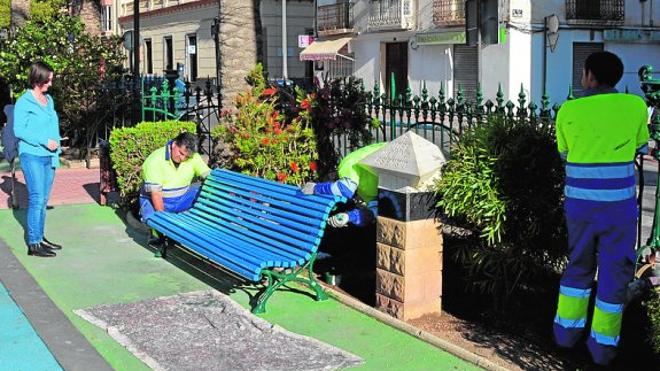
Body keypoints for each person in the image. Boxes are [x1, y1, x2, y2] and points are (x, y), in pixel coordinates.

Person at [553, 51, 650, 366]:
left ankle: (565, 335)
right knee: (614, 272)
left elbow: (564, 153)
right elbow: (640, 147)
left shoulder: (568, 110)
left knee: (578, 265)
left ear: (589, 75)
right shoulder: (635, 106)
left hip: (580, 207)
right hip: (618, 210)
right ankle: (603, 349)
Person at [13, 61, 63, 258]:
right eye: (48, 80)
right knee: (36, 198)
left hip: (49, 156)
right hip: (32, 155)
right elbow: (19, 130)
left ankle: (40, 237)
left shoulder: (48, 100)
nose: (50, 84)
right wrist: (44, 141)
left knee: (43, 200)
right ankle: (33, 243)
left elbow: (52, 126)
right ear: (37, 79)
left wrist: (56, 150)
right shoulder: (24, 102)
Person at [140, 132, 211, 247]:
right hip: (156, 201)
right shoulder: (154, 160)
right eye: (181, 153)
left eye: (187, 157)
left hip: (181, 198)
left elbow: (209, 176)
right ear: (174, 144)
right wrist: (164, 223)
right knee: (154, 223)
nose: (183, 158)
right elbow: (156, 195)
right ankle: (157, 234)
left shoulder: (193, 157)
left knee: (204, 188)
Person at [302, 142, 386, 228]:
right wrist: (349, 216)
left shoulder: (347, 163)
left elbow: (344, 189)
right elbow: (374, 212)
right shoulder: (365, 191)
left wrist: (316, 188)